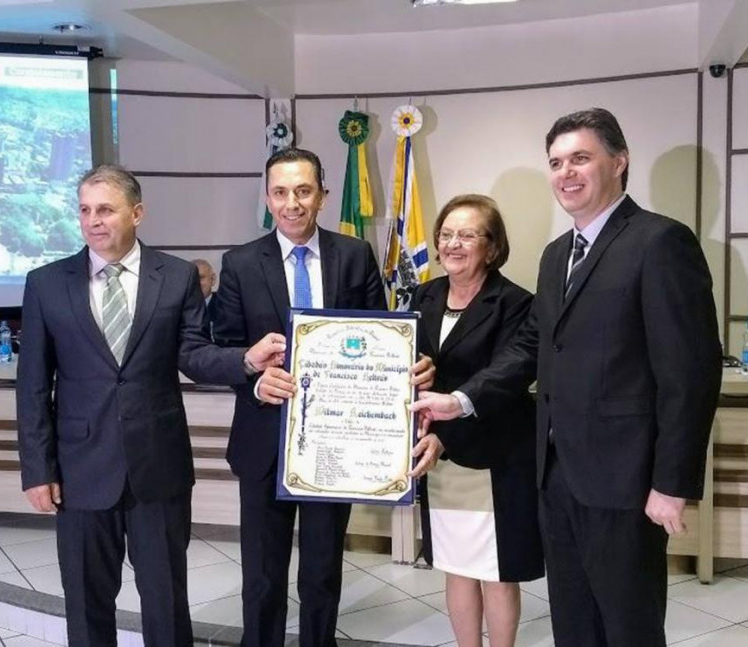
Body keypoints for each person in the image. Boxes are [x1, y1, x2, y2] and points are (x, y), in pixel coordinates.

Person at [412, 108, 721, 647]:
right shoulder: (558, 256)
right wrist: (460, 400)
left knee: (628, 625)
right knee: (573, 625)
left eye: (581, 158)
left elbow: (691, 373)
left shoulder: (660, 242)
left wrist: (671, 483)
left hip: (626, 481)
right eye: (556, 162)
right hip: (555, 477)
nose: (566, 173)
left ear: (619, 162)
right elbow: (531, 348)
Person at [17, 164, 286, 647]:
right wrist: (38, 468)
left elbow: (194, 353)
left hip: (157, 467)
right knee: (85, 598)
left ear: (137, 212)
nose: (93, 221)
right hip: (80, 468)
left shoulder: (177, 276)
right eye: (84, 210)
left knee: (165, 599)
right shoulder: (46, 283)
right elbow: (33, 384)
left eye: (106, 209)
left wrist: (246, 360)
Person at [213, 147, 434, 647]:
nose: (292, 203)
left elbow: (382, 337)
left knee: (322, 567)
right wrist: (251, 377)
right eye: (280, 192)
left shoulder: (354, 255)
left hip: (337, 441)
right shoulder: (240, 264)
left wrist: (407, 365)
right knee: (263, 573)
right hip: (264, 440)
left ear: (323, 196)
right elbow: (223, 347)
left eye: (303, 191)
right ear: (268, 198)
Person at [408, 194, 543, 647]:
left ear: (492, 245)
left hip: (492, 456)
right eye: (446, 234)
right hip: (436, 457)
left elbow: (504, 379)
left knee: (496, 570)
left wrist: (447, 430)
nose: (453, 244)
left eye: (467, 234)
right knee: (456, 564)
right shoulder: (422, 295)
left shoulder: (515, 303)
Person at [191, 258, 217, 338]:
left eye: (201, 277)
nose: (196, 283)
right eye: (192, 278)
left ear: (212, 280)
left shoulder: (227, 306)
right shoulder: (177, 308)